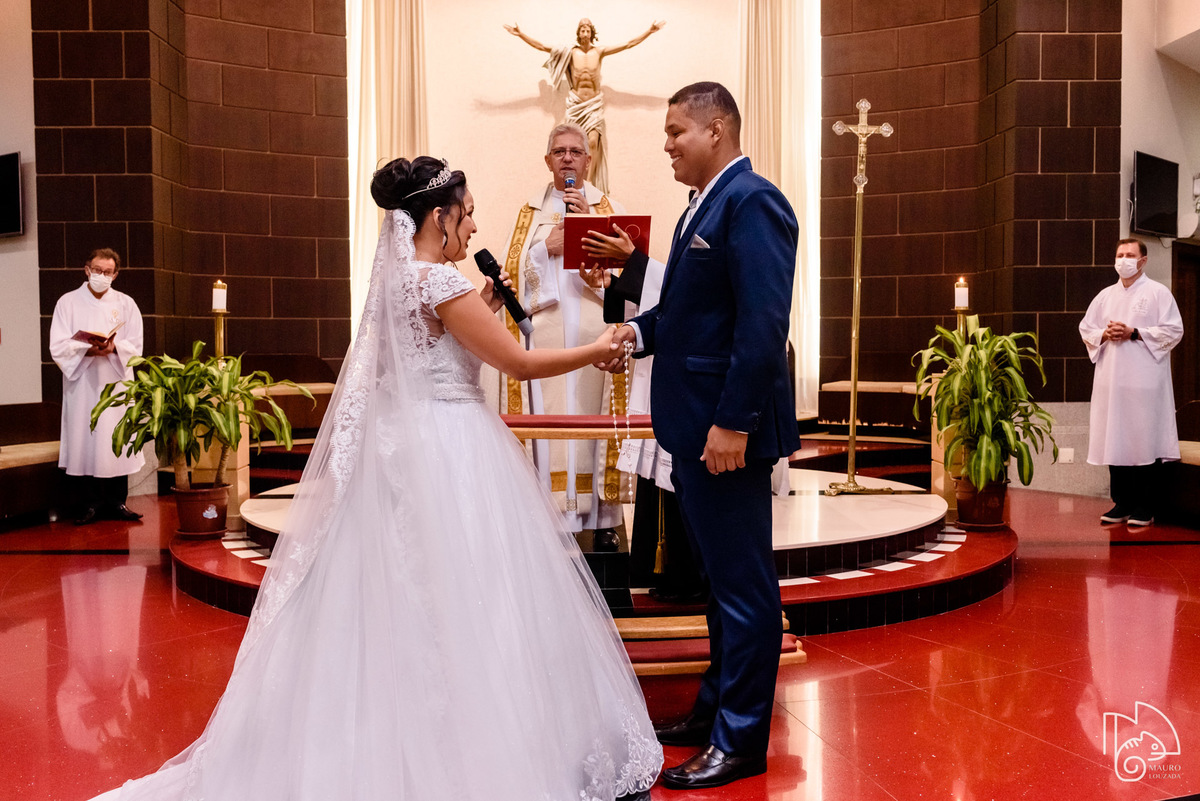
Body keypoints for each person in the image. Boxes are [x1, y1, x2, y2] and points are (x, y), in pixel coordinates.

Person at [88, 157, 661, 801]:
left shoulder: (395, 282)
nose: (473, 225)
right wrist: (602, 347)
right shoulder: (442, 281)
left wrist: (486, 304)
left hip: (404, 447)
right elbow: (518, 363)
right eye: (466, 212)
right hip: (453, 450)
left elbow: (418, 356)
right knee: (468, 598)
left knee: (407, 598)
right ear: (438, 218)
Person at [599, 82, 799, 790]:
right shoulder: (697, 209)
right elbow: (683, 313)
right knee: (718, 584)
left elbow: (761, 324)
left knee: (744, 588)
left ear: (717, 130)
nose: (667, 143)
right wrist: (632, 332)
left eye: (677, 130)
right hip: (695, 426)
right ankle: (716, 707)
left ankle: (741, 738)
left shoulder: (753, 201)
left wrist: (732, 422)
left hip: (725, 433)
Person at [498, 123, 627, 548]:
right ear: (548, 160)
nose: (568, 158)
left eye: (576, 151)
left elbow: (628, 279)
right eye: (560, 151)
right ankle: (548, 525)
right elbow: (508, 279)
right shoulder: (530, 215)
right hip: (547, 343)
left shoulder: (607, 209)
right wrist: (544, 249)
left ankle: (599, 523)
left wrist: (595, 245)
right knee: (550, 425)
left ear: (589, 161)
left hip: (594, 340)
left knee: (590, 424)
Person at [582, 229, 706, 602]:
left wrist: (634, 261)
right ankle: (668, 572)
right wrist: (613, 284)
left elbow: (687, 295)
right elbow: (659, 300)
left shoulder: (737, 203)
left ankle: (686, 576)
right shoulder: (691, 215)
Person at [1079, 237, 1183, 528]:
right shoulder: (1105, 296)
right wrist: (1104, 334)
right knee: (1116, 437)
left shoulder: (1158, 293)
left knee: (1142, 440)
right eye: (1119, 254)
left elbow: (1174, 330)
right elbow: (1087, 328)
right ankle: (1121, 502)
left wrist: (1134, 332)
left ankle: (1145, 506)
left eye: (1129, 255)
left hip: (1145, 382)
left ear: (1143, 261)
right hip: (1112, 382)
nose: (1123, 260)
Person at [504, 18, 664, 192]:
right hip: (576, 104)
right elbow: (542, 47)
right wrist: (520, 35)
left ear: (592, 33)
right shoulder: (571, 53)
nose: (585, 33)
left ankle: (586, 185)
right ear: (578, 33)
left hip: (593, 104)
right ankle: (573, 181)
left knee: (593, 141)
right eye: (582, 30)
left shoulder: (599, 52)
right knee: (571, 145)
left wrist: (649, 31)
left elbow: (628, 44)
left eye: (588, 30)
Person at [49, 248, 145, 525]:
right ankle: (88, 503)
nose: (101, 276)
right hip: (83, 386)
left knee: (116, 436)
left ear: (115, 274)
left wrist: (114, 347)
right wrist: (87, 349)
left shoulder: (126, 304)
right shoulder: (67, 303)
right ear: (86, 269)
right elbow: (58, 345)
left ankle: (118, 502)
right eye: (96, 270)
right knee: (86, 438)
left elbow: (136, 345)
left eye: (107, 272)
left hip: (116, 383)